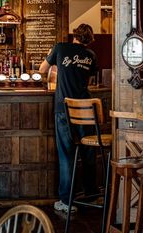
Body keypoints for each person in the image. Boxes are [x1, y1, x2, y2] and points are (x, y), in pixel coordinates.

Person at [39, 23, 99, 213]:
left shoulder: (60, 47)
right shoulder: (91, 55)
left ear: (74, 35)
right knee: (88, 154)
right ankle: (92, 196)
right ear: (89, 38)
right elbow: (89, 80)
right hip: (87, 110)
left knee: (66, 155)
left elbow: (42, 69)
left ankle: (66, 201)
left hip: (64, 109)